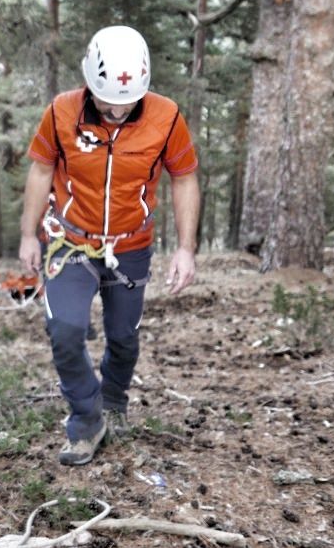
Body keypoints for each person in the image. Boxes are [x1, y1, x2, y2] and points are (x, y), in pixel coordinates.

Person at [18, 25, 199, 466]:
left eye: (127, 104)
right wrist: (27, 235)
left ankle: (114, 401)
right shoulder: (61, 112)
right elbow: (41, 172)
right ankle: (86, 419)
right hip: (70, 242)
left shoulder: (167, 117)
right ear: (88, 84)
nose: (117, 113)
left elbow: (185, 178)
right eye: (106, 103)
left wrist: (186, 248)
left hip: (131, 245)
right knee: (65, 331)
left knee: (123, 336)